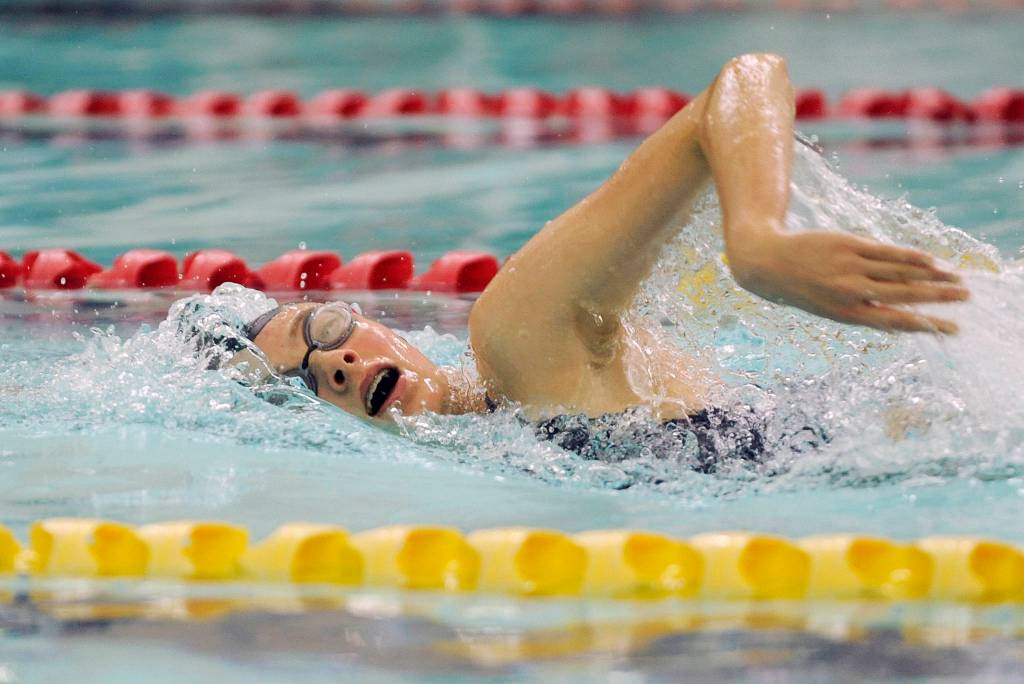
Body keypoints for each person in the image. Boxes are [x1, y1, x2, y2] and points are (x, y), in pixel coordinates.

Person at [238, 54, 968, 459]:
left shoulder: (515, 338)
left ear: (382, 327)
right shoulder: (503, 438)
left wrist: (758, 242)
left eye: (324, 332)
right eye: (299, 383)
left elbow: (743, 80)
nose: (330, 366)